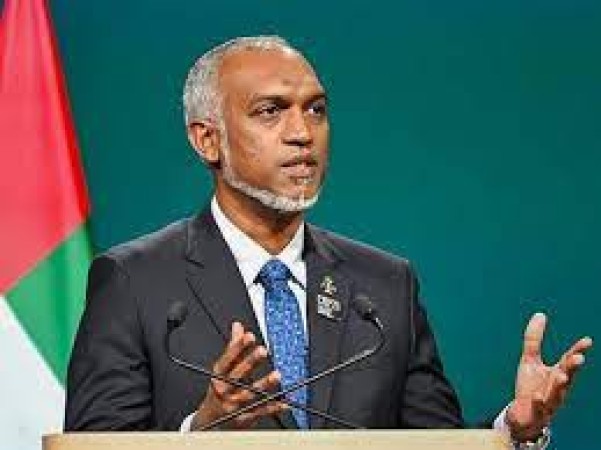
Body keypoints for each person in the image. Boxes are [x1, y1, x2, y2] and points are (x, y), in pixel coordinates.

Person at [64, 36, 592, 447]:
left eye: (315, 109)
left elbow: (435, 444)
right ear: (208, 140)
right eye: (270, 111)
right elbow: (93, 446)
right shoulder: (134, 281)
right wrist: (197, 434)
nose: (302, 133)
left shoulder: (384, 287)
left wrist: (513, 430)